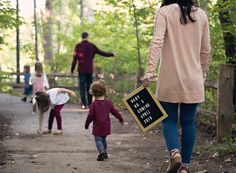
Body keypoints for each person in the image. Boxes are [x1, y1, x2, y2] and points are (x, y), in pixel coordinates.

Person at [142, 0, 211, 173]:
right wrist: (202, 75)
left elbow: (156, 42)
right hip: (193, 80)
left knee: (169, 119)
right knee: (188, 122)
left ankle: (175, 154)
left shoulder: (164, 12)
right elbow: (206, 50)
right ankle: (184, 167)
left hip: (169, 80)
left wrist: (149, 72)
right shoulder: (201, 14)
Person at [71, 32, 115, 109]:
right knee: (90, 87)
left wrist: (72, 70)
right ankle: (90, 104)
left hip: (81, 71)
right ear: (88, 37)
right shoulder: (92, 46)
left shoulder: (78, 46)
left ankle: (84, 104)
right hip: (89, 71)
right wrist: (111, 54)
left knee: (82, 88)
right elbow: (102, 52)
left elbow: (74, 59)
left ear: (81, 37)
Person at [84, 80, 124, 161]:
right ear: (105, 92)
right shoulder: (109, 103)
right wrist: (121, 119)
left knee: (98, 139)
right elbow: (115, 112)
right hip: (106, 126)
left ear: (93, 93)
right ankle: (105, 152)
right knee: (103, 139)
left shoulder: (94, 104)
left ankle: (102, 152)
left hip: (98, 127)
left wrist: (86, 124)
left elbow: (90, 116)